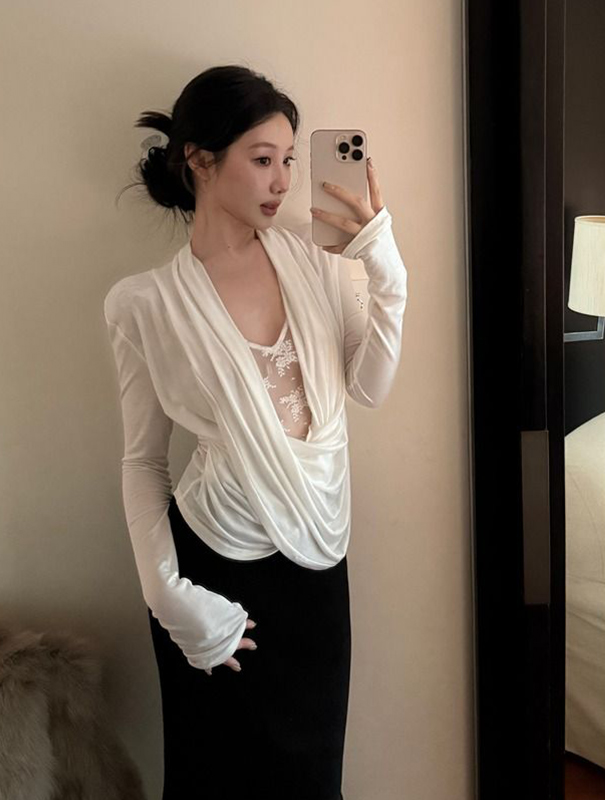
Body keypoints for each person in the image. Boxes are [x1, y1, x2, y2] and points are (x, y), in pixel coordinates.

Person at [104, 65, 408, 799]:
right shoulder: (144, 304)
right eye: (263, 159)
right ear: (200, 161)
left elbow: (369, 389)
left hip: (318, 569)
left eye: (290, 160)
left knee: (312, 781)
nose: (282, 181)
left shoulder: (320, 264)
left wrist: (387, 274)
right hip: (212, 574)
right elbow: (143, 463)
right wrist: (168, 594)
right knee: (212, 780)